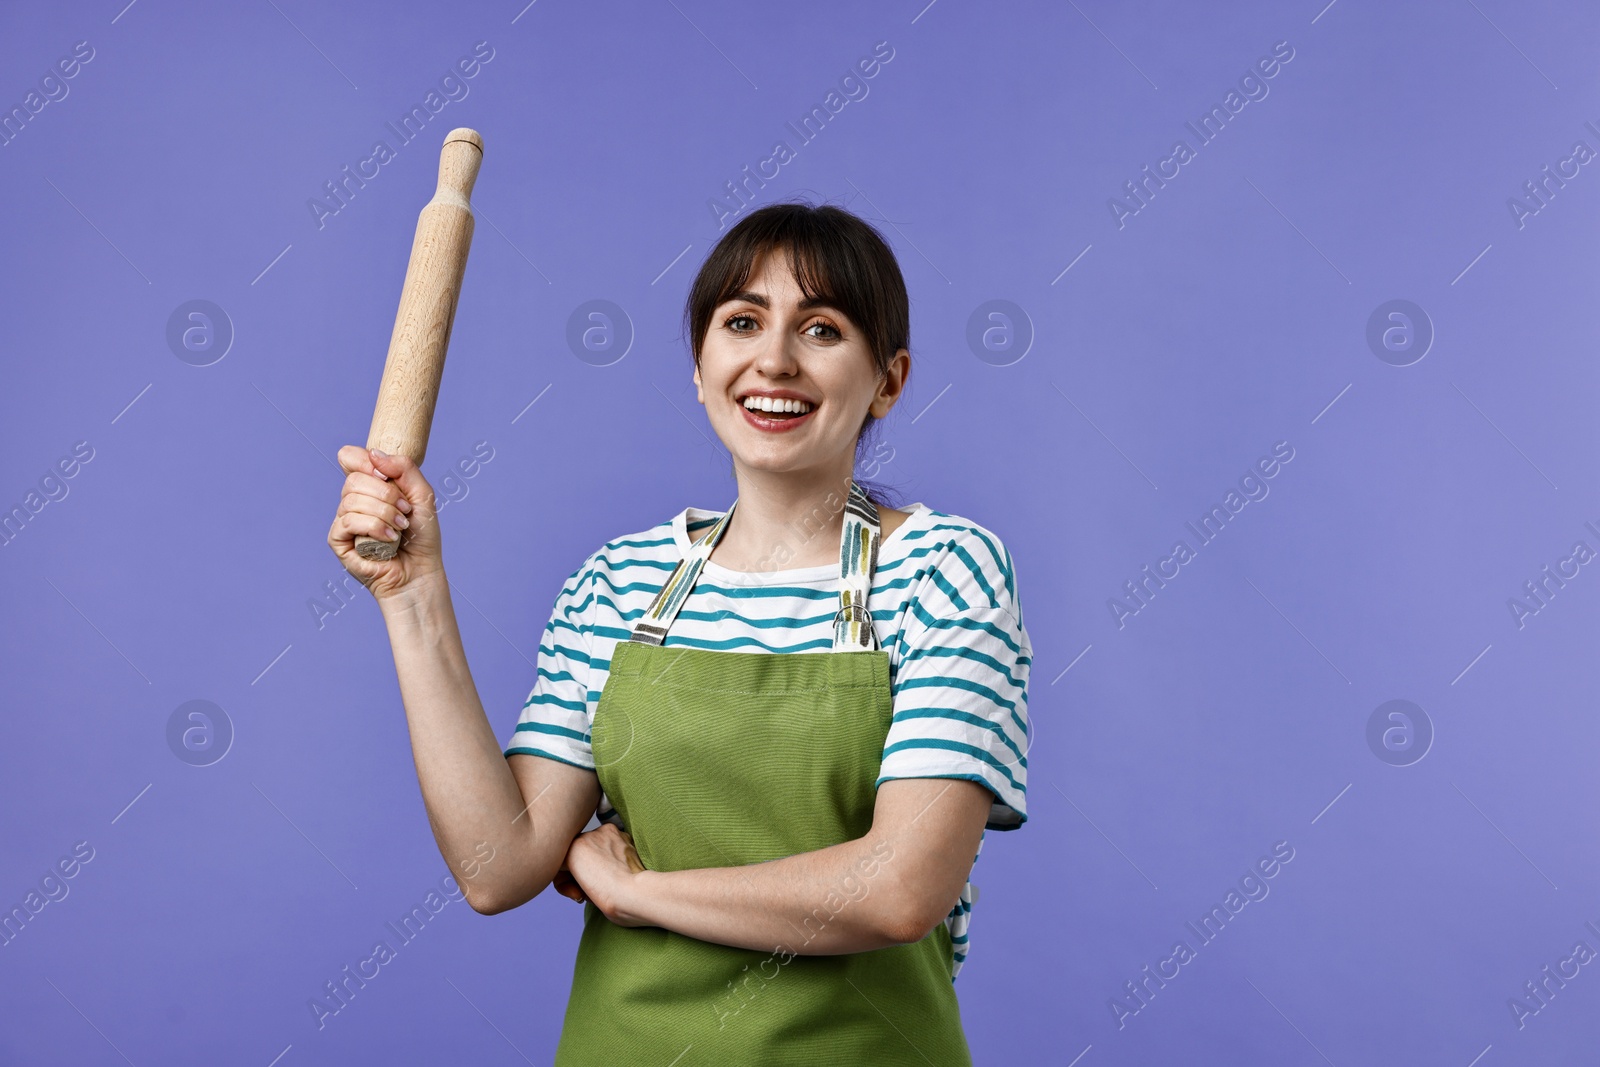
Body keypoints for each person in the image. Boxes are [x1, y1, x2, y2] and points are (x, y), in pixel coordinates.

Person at [328, 200, 1032, 1065]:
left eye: (821, 329)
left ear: (889, 379)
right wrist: (411, 593)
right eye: (742, 322)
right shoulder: (618, 582)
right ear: (700, 368)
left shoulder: (944, 570)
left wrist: (640, 893)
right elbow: (498, 862)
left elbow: (898, 888)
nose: (773, 359)